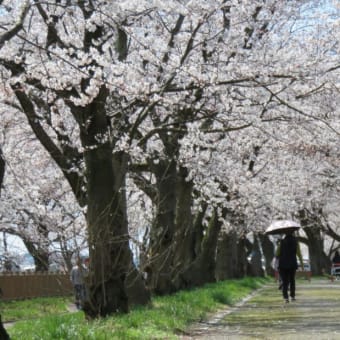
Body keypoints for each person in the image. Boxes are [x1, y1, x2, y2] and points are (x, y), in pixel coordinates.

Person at [276, 230, 303, 303]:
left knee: (285, 281)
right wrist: (302, 264)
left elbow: (277, 253)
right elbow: (299, 254)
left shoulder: (281, 242)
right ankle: (292, 296)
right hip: (292, 264)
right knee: (292, 280)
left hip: (283, 264)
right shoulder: (296, 242)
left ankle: (285, 297)